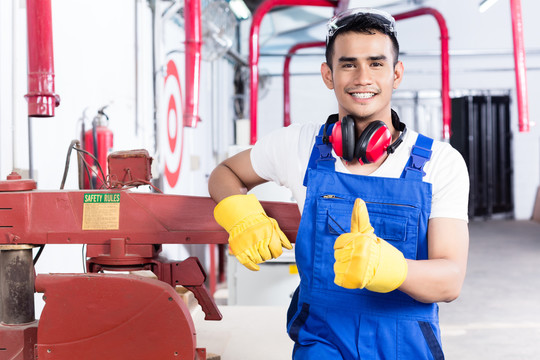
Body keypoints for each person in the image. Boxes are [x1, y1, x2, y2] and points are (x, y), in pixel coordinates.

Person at [208, 7, 469, 360]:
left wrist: (389, 268)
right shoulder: (297, 145)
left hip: (405, 344)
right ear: (328, 75)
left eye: (376, 63)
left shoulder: (440, 162)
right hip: (323, 341)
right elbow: (225, 172)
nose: (363, 77)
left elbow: (450, 279)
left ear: (397, 73)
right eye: (349, 64)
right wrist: (242, 215)